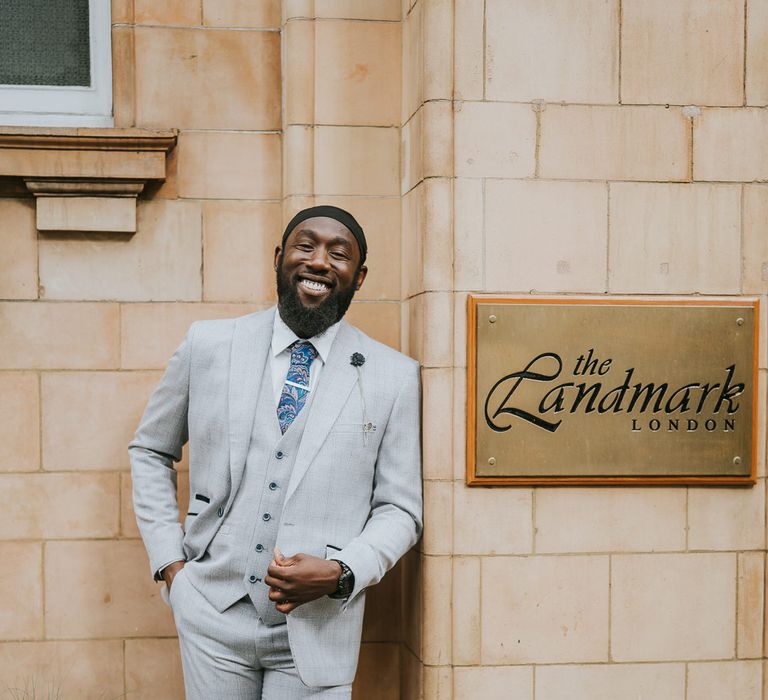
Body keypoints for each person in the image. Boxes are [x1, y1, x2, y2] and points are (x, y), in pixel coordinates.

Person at [129, 205, 422, 699]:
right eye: (306, 246)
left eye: (339, 254)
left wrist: (342, 572)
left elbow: (401, 508)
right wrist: (171, 566)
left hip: (319, 628)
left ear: (359, 276)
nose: (320, 262)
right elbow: (151, 450)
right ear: (279, 257)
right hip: (210, 612)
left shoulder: (393, 376)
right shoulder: (209, 345)